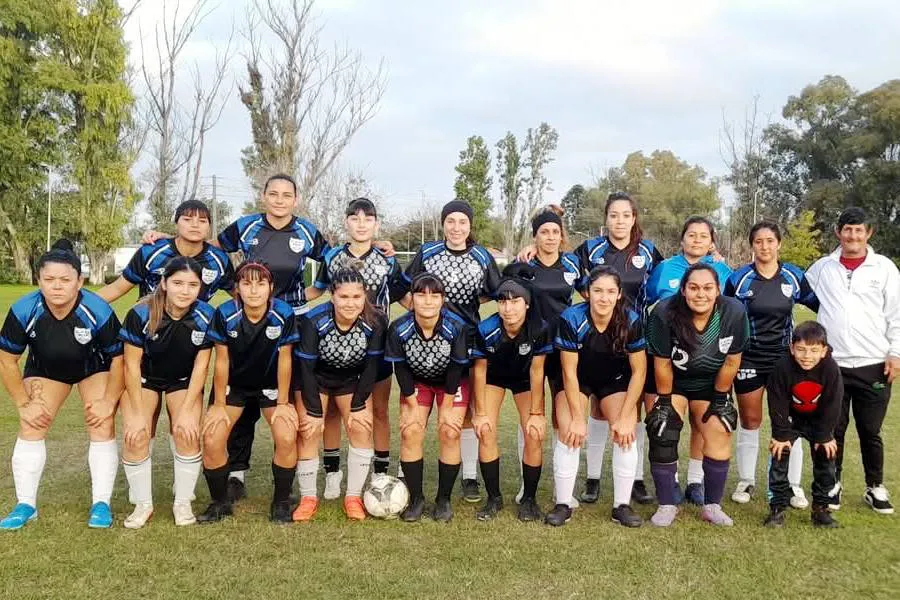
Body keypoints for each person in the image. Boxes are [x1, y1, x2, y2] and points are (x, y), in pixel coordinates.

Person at [0, 240, 123, 530]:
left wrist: (108, 402)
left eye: (65, 280)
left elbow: (120, 360)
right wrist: (22, 404)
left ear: (79, 281)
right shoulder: (23, 309)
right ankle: (26, 504)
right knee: (33, 422)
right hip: (46, 371)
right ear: (38, 280)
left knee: (100, 421)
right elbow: (7, 361)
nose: (57, 286)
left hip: (94, 369)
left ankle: (101, 503)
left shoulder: (98, 309)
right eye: (49, 279)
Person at [400, 199, 500, 503]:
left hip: (465, 342)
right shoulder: (427, 253)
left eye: (463, 222)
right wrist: (419, 311)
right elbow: (402, 286)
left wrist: (465, 312)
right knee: (415, 413)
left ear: (470, 226)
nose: (456, 227)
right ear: (443, 223)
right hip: (426, 338)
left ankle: (469, 476)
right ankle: (408, 471)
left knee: (463, 414)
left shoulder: (481, 256)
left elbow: (496, 291)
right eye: (451, 221)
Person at [805, 206, 900, 514]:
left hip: (873, 362)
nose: (853, 235)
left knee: (870, 430)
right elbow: (800, 292)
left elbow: (896, 315)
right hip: (833, 365)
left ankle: (875, 487)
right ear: (838, 232)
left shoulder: (884, 268)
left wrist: (895, 354)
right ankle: (833, 482)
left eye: (859, 230)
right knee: (834, 428)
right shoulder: (823, 267)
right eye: (847, 229)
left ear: (868, 233)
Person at [307, 198, 404, 498]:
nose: (361, 224)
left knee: (378, 411)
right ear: (346, 222)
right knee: (335, 412)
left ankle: (379, 473)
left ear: (376, 224)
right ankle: (334, 473)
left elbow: (405, 296)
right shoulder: (332, 255)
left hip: (376, 346)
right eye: (355, 218)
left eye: (368, 219)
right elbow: (313, 289)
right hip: (337, 346)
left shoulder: (388, 258)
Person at [572, 192, 663, 506]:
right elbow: (563, 267)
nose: (620, 221)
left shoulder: (649, 252)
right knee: (597, 405)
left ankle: (636, 478)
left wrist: (712, 257)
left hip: (633, 338)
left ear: (634, 218)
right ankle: (593, 478)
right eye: (614, 215)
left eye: (626, 215)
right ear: (606, 219)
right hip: (595, 337)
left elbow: (673, 278)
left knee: (631, 407)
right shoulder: (590, 249)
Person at [645, 263, 749, 527]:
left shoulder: (733, 312)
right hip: (674, 382)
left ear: (717, 291)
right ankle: (667, 504)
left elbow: (731, 362)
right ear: (683, 290)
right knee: (663, 427)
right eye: (693, 287)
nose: (700, 294)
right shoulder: (664, 312)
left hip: (711, 382)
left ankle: (712, 506)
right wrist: (665, 402)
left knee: (719, 427)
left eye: (707, 288)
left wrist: (720, 398)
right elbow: (663, 363)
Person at [724, 221, 818, 507]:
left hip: (784, 360)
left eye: (770, 241)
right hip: (749, 358)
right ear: (752, 245)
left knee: (790, 423)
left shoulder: (793, 276)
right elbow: (726, 316)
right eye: (759, 242)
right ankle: (746, 480)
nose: (764, 247)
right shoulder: (739, 278)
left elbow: (822, 305)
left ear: (779, 244)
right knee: (751, 421)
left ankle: (792, 485)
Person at [197, 261, 300, 524]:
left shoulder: (284, 313)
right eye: (246, 283)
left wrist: (285, 402)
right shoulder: (225, 313)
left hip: (271, 387)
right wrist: (219, 404)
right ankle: (220, 503)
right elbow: (221, 361)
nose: (254, 290)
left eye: (260, 284)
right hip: (235, 387)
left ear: (271, 288)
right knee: (211, 438)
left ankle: (281, 503)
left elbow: (286, 359)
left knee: (287, 436)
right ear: (237, 288)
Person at [117, 257, 215, 528]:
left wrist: (185, 413)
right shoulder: (141, 313)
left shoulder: (206, 315)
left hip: (182, 380)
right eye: (178, 283)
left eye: (192, 284)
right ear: (164, 283)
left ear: (200, 288)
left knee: (187, 432)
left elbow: (201, 368)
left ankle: (182, 502)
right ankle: (143, 505)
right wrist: (136, 414)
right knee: (136, 435)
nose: (185, 290)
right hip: (145, 379)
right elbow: (131, 367)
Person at [546, 266, 647, 527]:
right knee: (570, 431)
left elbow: (639, 372)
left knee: (626, 434)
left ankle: (621, 506)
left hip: (614, 381)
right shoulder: (571, 318)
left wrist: (626, 417)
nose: (603, 298)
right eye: (598, 291)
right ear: (587, 293)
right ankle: (563, 504)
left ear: (619, 294)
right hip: (577, 381)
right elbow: (568, 372)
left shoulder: (632, 320)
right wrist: (579, 419)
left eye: (610, 291)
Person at [645, 216, 733, 506]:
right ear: (681, 238)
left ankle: (696, 481)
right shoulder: (665, 269)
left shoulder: (722, 270)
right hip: (668, 358)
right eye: (691, 234)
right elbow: (646, 302)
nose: (696, 240)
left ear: (711, 242)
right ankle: (668, 484)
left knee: (702, 422)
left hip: (708, 362)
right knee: (664, 423)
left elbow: (727, 313)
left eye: (703, 235)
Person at [293, 267, 387, 522]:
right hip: (315, 379)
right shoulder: (314, 320)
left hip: (350, 380)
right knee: (309, 429)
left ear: (364, 297)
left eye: (356, 297)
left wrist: (358, 406)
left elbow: (371, 366)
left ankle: (353, 497)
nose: (350, 303)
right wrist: (313, 412)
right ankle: (308, 497)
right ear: (332, 296)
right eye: (343, 297)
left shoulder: (376, 321)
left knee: (360, 426)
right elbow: (306, 368)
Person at [471, 264, 553, 522]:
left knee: (533, 433)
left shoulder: (539, 328)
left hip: (524, 378)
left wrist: (537, 413)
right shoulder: (486, 329)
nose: (508, 308)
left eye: (515, 301)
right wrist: (480, 413)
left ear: (527, 303)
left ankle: (529, 499)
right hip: (494, 378)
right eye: (502, 301)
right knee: (485, 430)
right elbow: (480, 371)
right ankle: (493, 498)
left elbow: (537, 371)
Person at [385, 273, 470, 522]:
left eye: (434, 295)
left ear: (443, 299)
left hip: (451, 383)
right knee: (410, 430)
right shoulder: (399, 328)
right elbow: (400, 368)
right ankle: (416, 499)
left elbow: (456, 369)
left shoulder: (457, 327)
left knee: (450, 431)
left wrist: (446, 406)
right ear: (412, 298)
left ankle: (443, 499)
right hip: (417, 382)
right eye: (421, 294)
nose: (428, 301)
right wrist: (412, 404)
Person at [514, 206, 582, 508]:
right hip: (529, 350)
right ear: (535, 236)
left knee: (561, 418)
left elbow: (593, 293)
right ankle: (524, 484)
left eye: (555, 232)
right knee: (529, 415)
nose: (551, 237)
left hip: (563, 350)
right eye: (544, 232)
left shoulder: (572, 264)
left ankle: (561, 487)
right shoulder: (523, 265)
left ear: (562, 236)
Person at [764, 321, 842, 528]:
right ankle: (777, 508)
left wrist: (825, 435)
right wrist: (781, 434)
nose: (807, 356)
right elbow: (776, 401)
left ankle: (821, 509)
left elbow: (833, 402)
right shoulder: (782, 367)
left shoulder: (831, 369)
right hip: (791, 420)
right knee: (780, 453)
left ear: (824, 350)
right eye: (801, 350)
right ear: (792, 348)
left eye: (814, 350)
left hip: (818, 421)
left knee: (827, 455)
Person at [99, 199, 233, 304]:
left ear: (209, 227)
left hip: (193, 332)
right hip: (150, 327)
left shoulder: (219, 261)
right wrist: (81, 305)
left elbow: (244, 295)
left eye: (202, 221)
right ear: (176, 223)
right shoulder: (151, 252)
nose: (195, 225)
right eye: (187, 219)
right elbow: (117, 288)